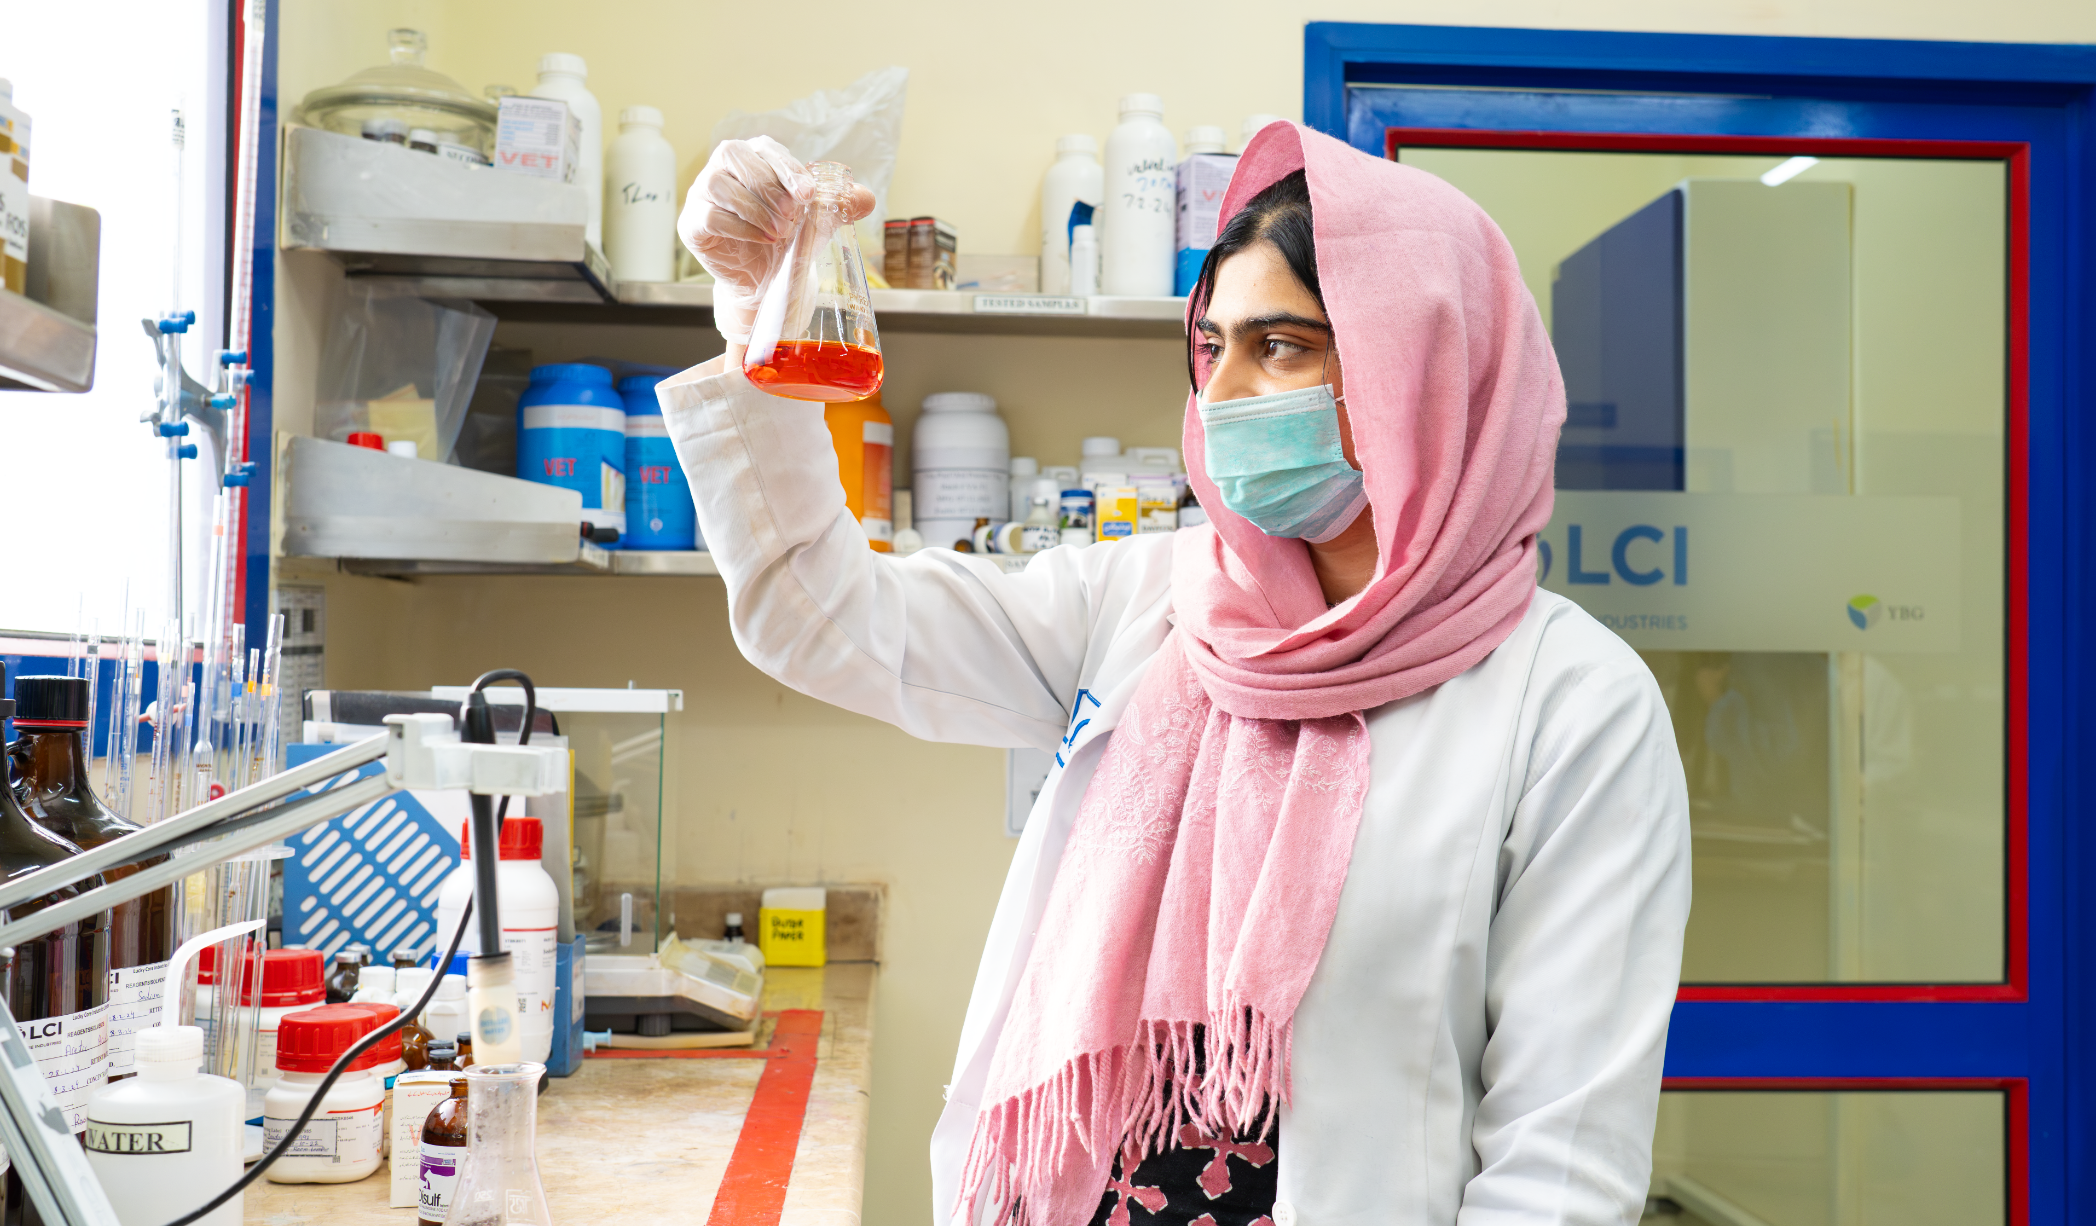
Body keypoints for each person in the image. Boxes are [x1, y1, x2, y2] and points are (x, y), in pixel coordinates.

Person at [663, 123, 1690, 1226]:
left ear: (1425, 370)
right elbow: (823, 618)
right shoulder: (1151, 604)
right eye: (1210, 347)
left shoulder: (1572, 704)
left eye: (1280, 346)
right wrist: (761, 307)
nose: (1223, 391)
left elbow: (1557, 1167)